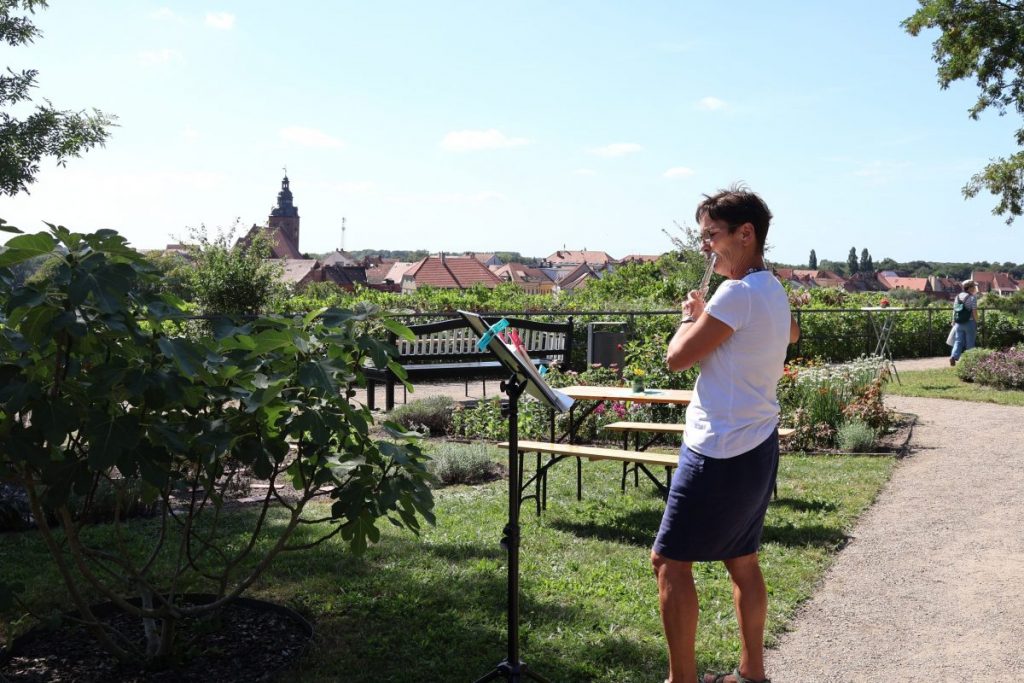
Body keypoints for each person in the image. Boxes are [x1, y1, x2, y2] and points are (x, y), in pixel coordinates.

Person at [652, 186, 799, 683]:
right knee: (743, 561)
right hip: (757, 445)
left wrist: (688, 320)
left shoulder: (735, 294)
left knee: (669, 564)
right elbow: (791, 334)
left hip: (718, 449)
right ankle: (752, 674)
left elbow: (676, 359)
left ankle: (682, 681)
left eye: (711, 235)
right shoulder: (769, 288)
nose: (705, 246)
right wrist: (710, 315)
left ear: (746, 233)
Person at [949, 279, 978, 366]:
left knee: (958, 341)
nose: (975, 288)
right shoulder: (972, 298)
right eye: (974, 286)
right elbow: (974, 312)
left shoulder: (957, 297)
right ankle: (970, 361)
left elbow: (955, 310)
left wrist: (953, 321)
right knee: (970, 342)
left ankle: (953, 356)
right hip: (970, 322)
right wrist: (977, 322)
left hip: (958, 323)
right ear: (969, 288)